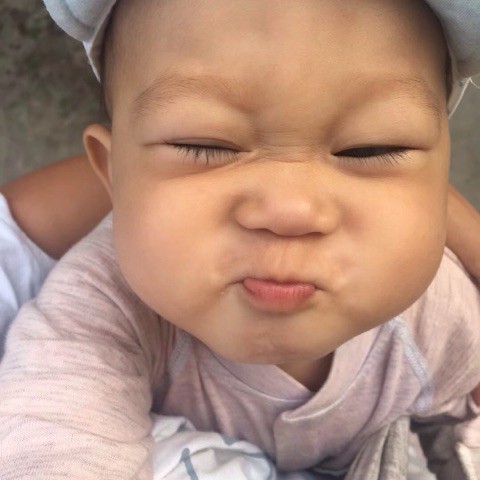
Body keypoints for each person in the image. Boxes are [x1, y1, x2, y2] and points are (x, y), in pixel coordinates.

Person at [1, 0, 480, 478]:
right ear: (112, 174)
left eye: (370, 149)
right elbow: (51, 441)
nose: (290, 211)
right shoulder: (100, 307)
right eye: (203, 145)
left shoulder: (440, 320)